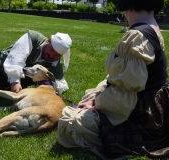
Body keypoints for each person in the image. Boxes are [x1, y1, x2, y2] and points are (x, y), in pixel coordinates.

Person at [57, 0, 169, 159]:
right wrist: (96, 98)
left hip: (141, 114)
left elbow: (123, 93)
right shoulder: (152, 27)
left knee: (69, 122)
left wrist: (96, 105)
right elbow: (120, 80)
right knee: (92, 94)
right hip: (154, 106)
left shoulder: (137, 36)